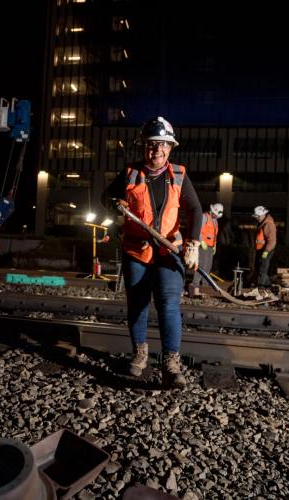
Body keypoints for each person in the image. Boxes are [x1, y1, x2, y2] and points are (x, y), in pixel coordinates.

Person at [103, 116, 202, 388]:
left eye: (161, 145)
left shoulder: (179, 176)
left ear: (170, 148)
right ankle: (140, 354)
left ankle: (171, 363)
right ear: (143, 147)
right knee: (137, 304)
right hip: (137, 252)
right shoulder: (131, 173)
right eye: (150, 144)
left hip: (169, 252)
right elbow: (106, 198)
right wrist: (116, 204)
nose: (155, 150)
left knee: (168, 305)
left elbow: (195, 210)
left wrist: (193, 244)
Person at [188, 203, 223, 298]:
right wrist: (201, 241)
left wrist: (214, 245)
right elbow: (198, 230)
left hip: (210, 246)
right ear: (212, 211)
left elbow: (214, 234)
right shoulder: (204, 217)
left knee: (208, 266)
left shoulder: (215, 221)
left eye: (217, 215)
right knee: (201, 266)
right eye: (215, 214)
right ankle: (195, 285)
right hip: (203, 245)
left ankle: (205, 286)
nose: (216, 216)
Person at [252, 205, 277, 288]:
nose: (256, 218)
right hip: (262, 250)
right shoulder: (263, 223)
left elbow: (272, 241)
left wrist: (266, 251)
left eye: (257, 216)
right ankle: (268, 286)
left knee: (262, 268)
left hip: (266, 250)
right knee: (260, 267)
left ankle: (260, 287)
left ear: (262, 215)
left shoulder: (268, 224)